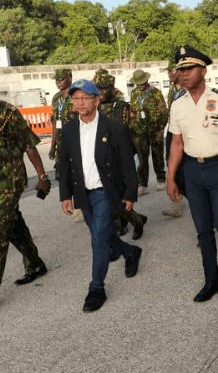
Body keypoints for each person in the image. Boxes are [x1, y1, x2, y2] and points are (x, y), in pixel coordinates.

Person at [166, 46, 218, 302]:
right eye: (180, 70)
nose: (183, 74)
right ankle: (213, 280)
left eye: (188, 69)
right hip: (192, 170)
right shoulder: (177, 105)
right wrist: (170, 178)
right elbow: (177, 144)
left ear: (203, 71)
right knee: (203, 230)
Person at [59, 79, 143, 313]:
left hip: (106, 193)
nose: (80, 102)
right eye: (76, 98)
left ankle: (97, 288)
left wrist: (130, 193)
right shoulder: (68, 129)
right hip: (83, 194)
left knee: (98, 240)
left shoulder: (113, 127)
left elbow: (128, 164)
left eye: (85, 98)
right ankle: (130, 252)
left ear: (97, 100)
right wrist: (65, 195)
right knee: (103, 236)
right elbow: (65, 164)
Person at [0, 100, 51, 292]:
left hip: (9, 182)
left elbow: (29, 145)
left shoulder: (8, 114)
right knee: (13, 226)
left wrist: (43, 177)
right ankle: (35, 264)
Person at [93, 69, 147, 240]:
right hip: (101, 160)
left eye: (104, 88)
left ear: (112, 88)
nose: (101, 92)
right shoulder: (94, 108)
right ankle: (123, 223)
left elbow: (135, 135)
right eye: (98, 88)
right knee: (109, 197)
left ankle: (136, 221)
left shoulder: (123, 109)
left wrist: (142, 160)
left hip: (121, 160)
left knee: (119, 198)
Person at [128, 69, 169, 196]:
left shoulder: (155, 93)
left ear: (146, 81)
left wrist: (161, 130)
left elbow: (163, 112)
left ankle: (161, 179)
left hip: (154, 130)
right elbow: (133, 110)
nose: (139, 86)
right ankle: (143, 184)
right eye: (137, 84)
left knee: (157, 156)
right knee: (142, 158)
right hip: (140, 132)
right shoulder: (134, 93)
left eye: (141, 83)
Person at [162, 60, 187, 218]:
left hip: (186, 132)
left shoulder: (188, 88)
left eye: (172, 71)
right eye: (168, 71)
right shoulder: (173, 88)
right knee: (171, 163)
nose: (170, 74)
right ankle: (176, 203)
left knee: (187, 167)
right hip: (173, 130)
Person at [49, 68, 78, 180]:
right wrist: (52, 147)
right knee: (62, 176)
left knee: (77, 174)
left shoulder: (76, 95)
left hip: (76, 140)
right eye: (56, 81)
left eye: (61, 80)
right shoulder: (56, 98)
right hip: (61, 143)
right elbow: (56, 123)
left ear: (69, 79)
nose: (58, 83)